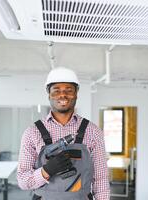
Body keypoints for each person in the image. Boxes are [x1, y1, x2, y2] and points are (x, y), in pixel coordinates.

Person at [17, 67, 110, 200]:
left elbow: (100, 180)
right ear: (49, 94)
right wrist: (46, 171)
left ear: (76, 93)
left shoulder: (93, 131)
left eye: (68, 90)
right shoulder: (32, 132)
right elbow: (23, 181)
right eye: (56, 91)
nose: (63, 95)